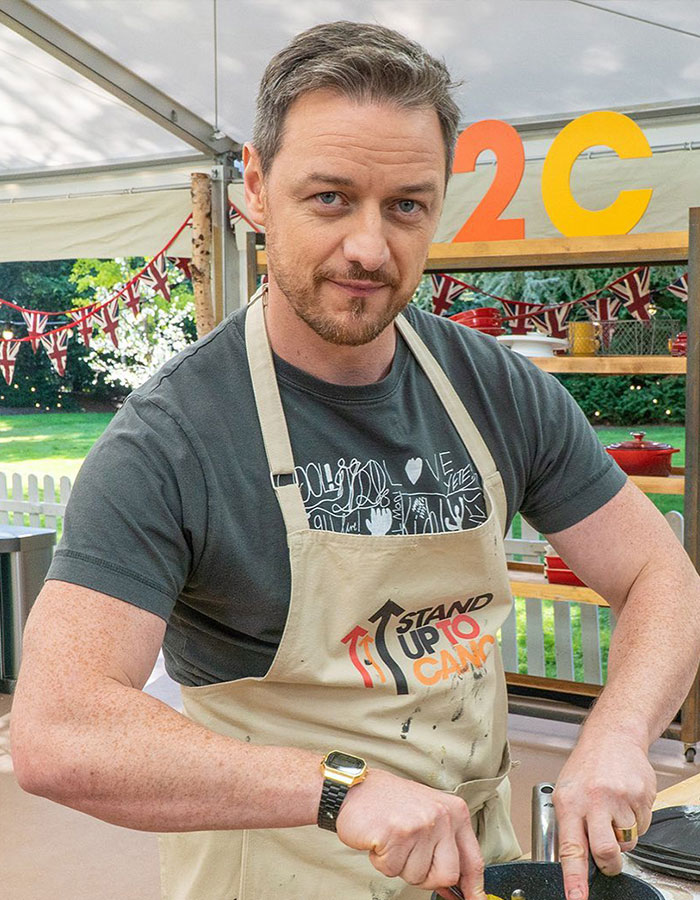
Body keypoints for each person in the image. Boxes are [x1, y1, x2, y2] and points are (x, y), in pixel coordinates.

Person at [10, 19, 700, 900]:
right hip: (279, 873)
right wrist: (340, 789)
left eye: (405, 204)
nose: (370, 248)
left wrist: (616, 733)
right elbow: (59, 729)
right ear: (254, 189)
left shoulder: (495, 388)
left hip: (474, 869)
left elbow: (661, 576)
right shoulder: (173, 439)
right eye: (330, 197)